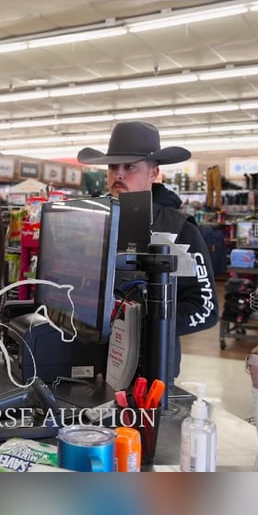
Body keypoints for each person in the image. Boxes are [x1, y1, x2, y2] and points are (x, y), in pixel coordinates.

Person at [77, 121, 218, 383]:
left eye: (129, 167)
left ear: (153, 173)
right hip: (88, 363)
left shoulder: (179, 229)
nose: (118, 174)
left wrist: (141, 324)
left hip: (149, 372)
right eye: (112, 167)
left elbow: (205, 309)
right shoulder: (92, 221)